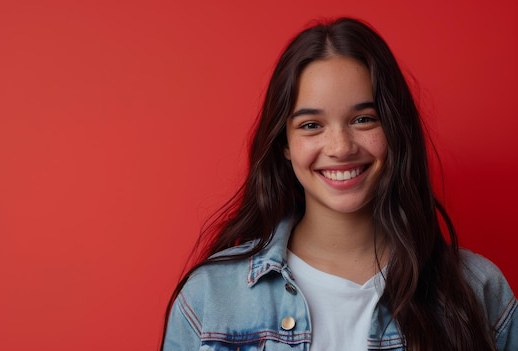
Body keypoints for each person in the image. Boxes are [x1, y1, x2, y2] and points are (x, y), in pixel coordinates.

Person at [160, 17, 517, 351]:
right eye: (311, 125)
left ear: (395, 131)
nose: (341, 147)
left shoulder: (479, 290)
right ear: (284, 144)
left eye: (363, 119)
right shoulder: (210, 297)